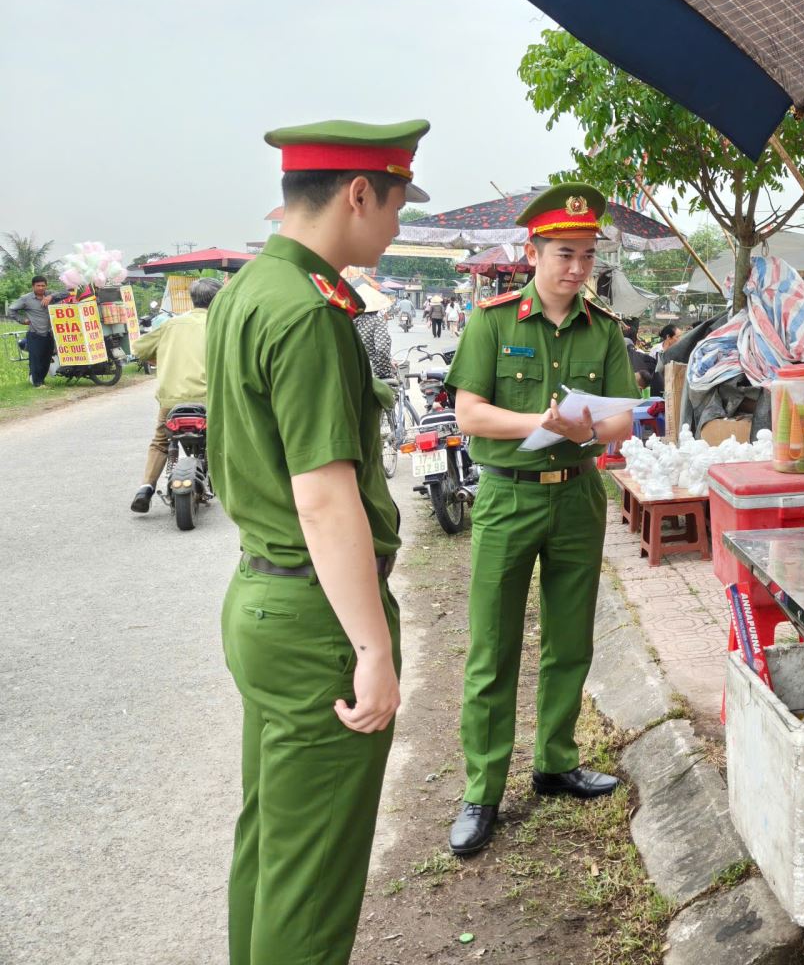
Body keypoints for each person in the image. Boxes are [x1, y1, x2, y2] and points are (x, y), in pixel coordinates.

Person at [206, 117, 429, 964]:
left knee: (273, 846)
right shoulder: (305, 314)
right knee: (312, 882)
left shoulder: (248, 293)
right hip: (314, 618)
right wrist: (372, 648)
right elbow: (325, 498)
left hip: (265, 600)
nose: (399, 224)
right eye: (399, 200)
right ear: (359, 192)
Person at [444, 183, 638, 857]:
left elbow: (622, 418)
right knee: (492, 646)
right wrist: (542, 422)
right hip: (508, 495)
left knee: (569, 637)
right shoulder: (492, 322)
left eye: (587, 256)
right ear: (532, 252)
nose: (577, 268)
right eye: (564, 254)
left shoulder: (605, 328)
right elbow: (469, 413)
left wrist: (596, 424)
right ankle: (482, 789)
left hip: (578, 495)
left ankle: (556, 761)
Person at [130, 277, 220, 511]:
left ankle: (145, 488)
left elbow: (139, 349)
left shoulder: (171, 325)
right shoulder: (222, 324)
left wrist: (160, 356)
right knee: (225, 439)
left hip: (172, 401)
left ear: (193, 299)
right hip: (211, 400)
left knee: (160, 442)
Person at [6, 275, 55, 387]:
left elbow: (65, 293)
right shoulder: (26, 299)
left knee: (46, 359)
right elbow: (11, 310)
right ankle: (37, 383)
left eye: (43, 285)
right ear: (33, 286)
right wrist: (22, 320)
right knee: (36, 360)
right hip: (35, 334)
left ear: (46, 286)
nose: (41, 288)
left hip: (49, 334)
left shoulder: (50, 295)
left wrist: (50, 296)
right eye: (38, 285)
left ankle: (41, 381)